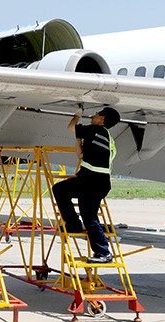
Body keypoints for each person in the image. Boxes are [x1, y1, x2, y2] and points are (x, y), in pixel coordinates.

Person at [52, 106, 121, 263]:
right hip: (96, 181)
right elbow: (81, 155)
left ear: (102, 119)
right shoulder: (108, 138)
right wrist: (78, 137)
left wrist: (77, 116)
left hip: (92, 181)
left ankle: (103, 252)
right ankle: (75, 225)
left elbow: (71, 127)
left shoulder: (94, 130)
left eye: (97, 114)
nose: (94, 115)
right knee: (62, 191)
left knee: (88, 216)